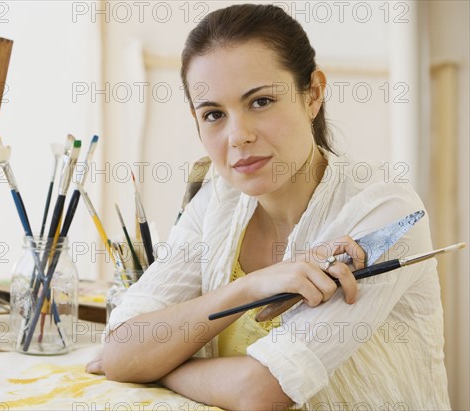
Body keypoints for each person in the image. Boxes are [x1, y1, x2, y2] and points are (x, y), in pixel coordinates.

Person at [87, 4, 450, 410]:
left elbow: (261, 390)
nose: (238, 136)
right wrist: (250, 286)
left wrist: (162, 365)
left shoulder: (385, 212)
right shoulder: (216, 202)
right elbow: (121, 350)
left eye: (260, 102)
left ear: (312, 94)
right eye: (213, 114)